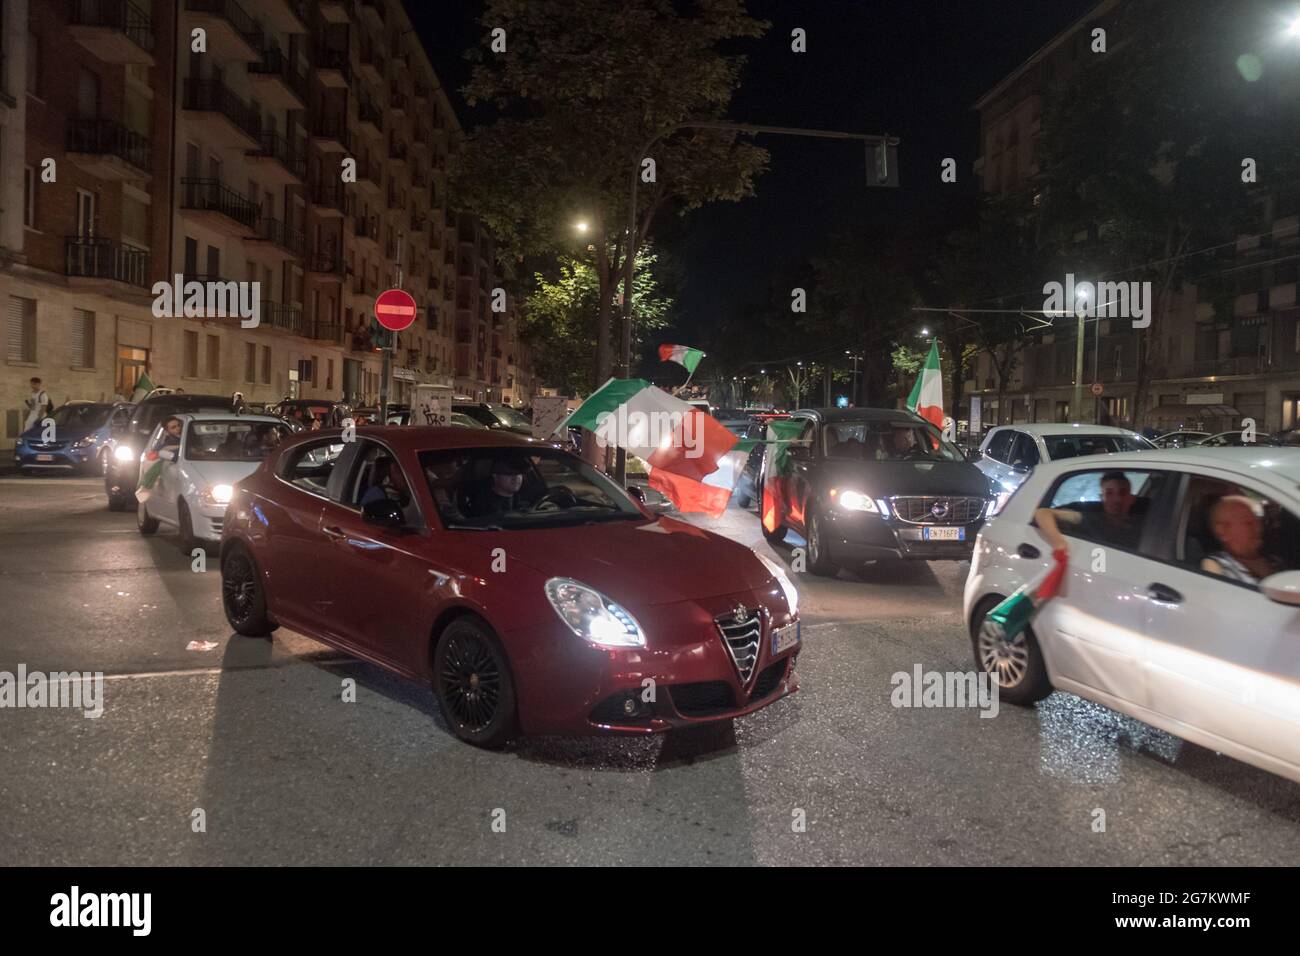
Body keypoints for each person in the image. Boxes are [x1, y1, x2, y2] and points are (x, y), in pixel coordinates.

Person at [1035, 470, 1141, 552]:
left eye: (1122, 493)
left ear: (1131, 498)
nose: (1117, 499)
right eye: (1109, 493)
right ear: (1101, 498)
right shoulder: (1090, 518)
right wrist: (1059, 543)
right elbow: (1043, 513)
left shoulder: (1143, 527)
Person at [1201, 495, 1281, 585]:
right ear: (1223, 531)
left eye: (1258, 521)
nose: (1259, 528)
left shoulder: (1274, 560)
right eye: (1248, 523)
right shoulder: (1216, 565)